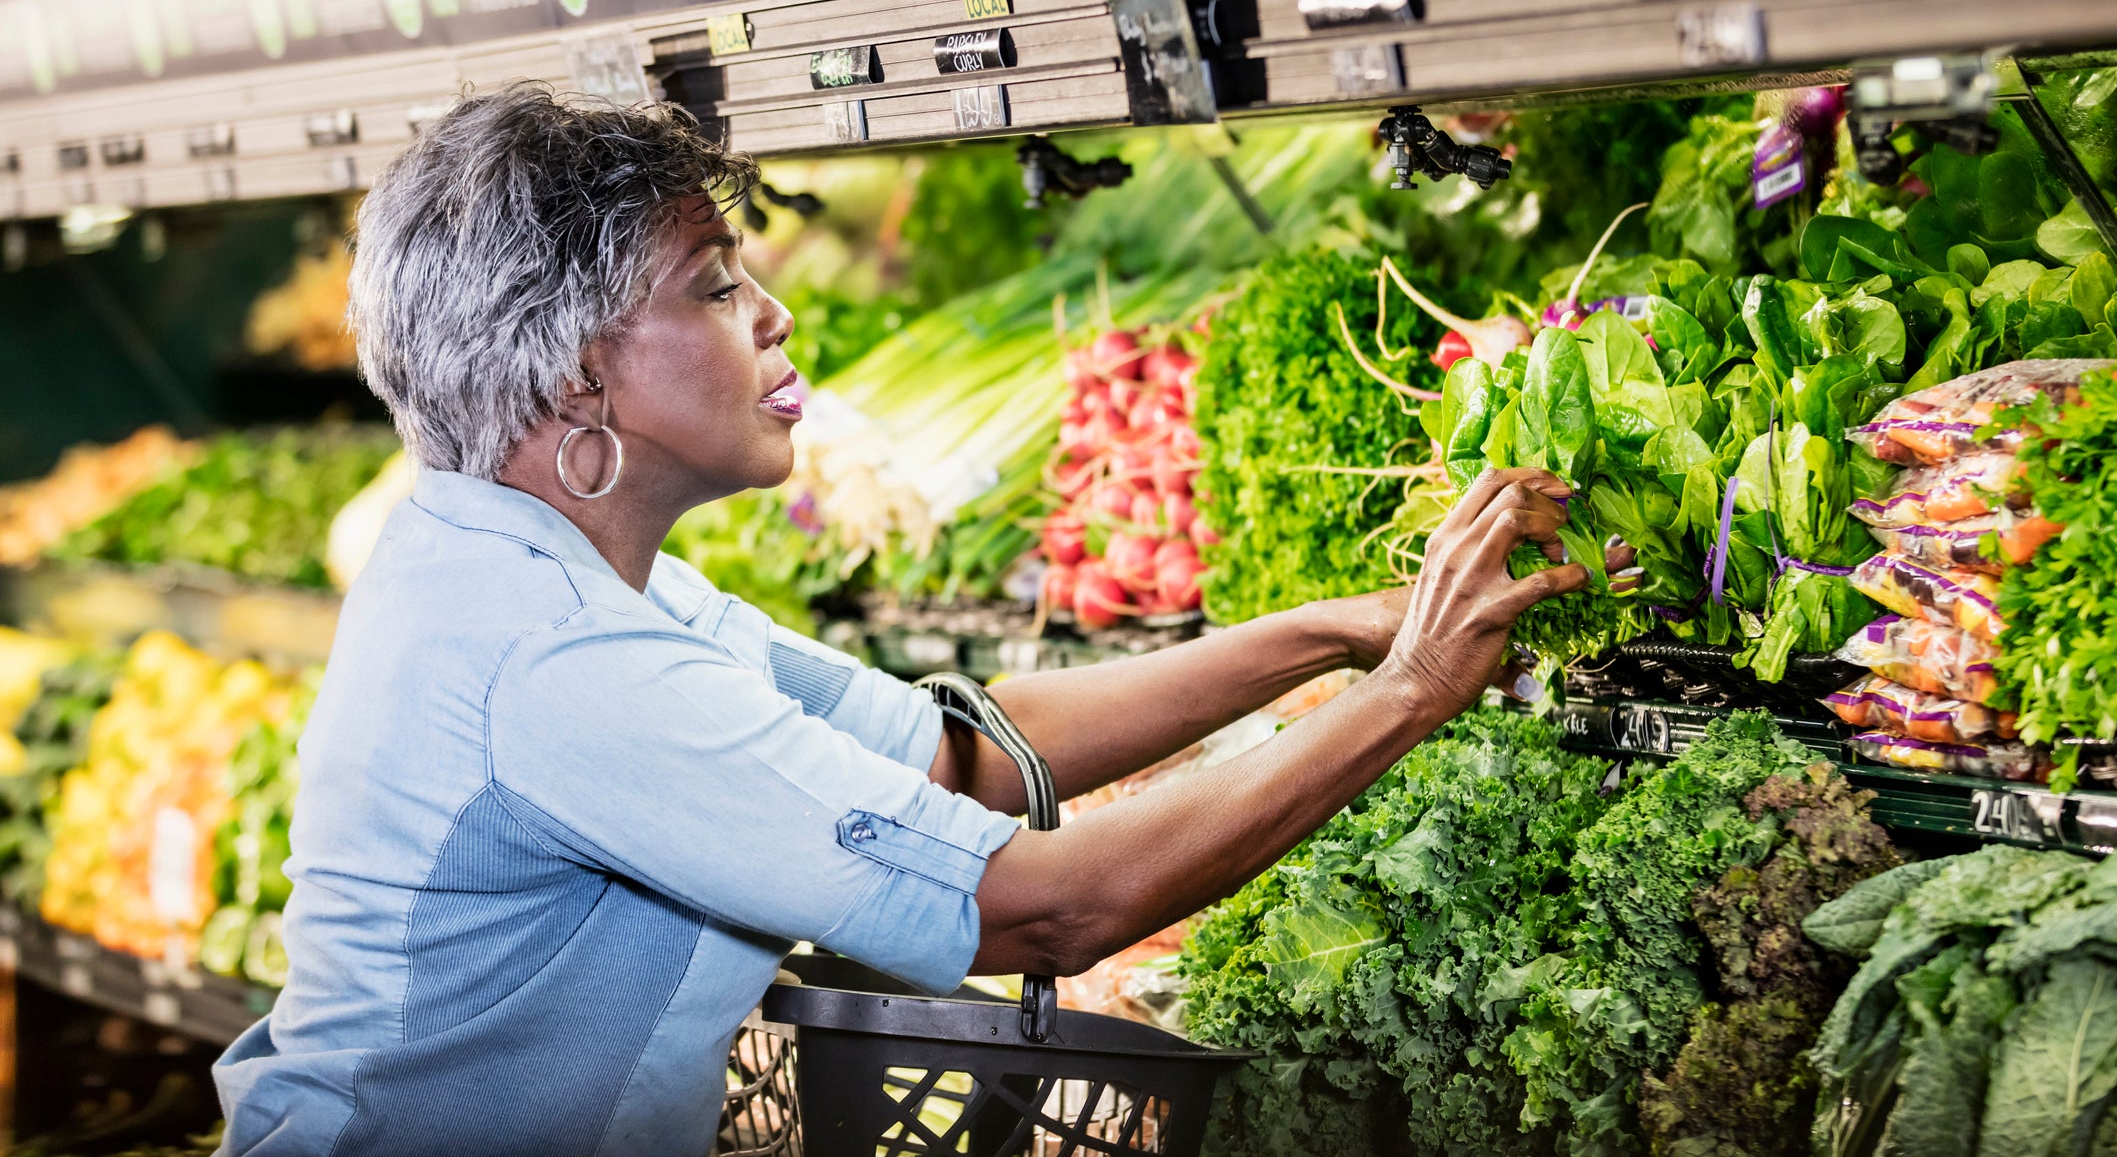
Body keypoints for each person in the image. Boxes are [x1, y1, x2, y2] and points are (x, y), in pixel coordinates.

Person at [210, 84, 1621, 1156]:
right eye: (712, 285)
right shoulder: (558, 659)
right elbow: (1056, 906)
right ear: (578, 376)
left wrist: (1334, 630)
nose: (770, 315)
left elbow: (967, 760)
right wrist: (1412, 690)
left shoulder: (558, 575)